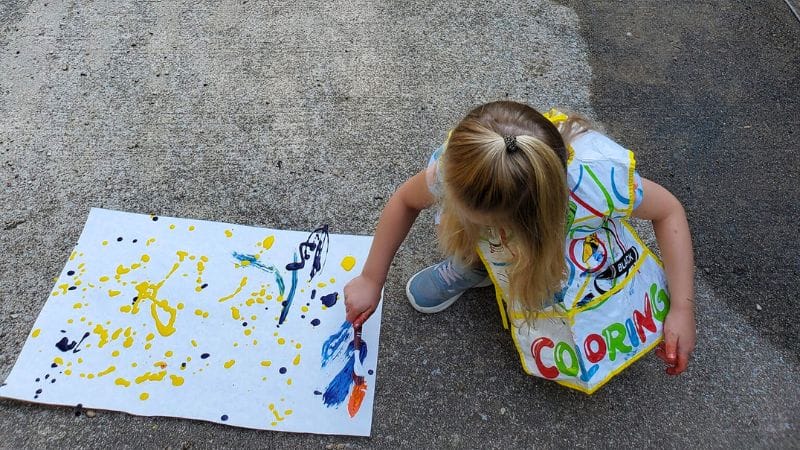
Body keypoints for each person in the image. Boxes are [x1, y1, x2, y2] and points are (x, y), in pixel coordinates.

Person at [343, 100, 696, 377]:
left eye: (483, 223)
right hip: (532, 236)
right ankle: (473, 268)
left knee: (556, 291)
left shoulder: (597, 187)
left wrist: (681, 308)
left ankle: (543, 275)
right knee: (456, 228)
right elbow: (405, 201)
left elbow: (668, 211)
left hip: (570, 244)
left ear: (529, 218)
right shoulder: (457, 167)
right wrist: (371, 278)